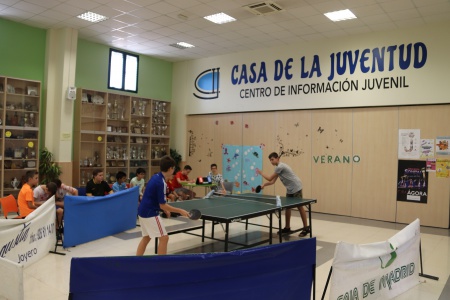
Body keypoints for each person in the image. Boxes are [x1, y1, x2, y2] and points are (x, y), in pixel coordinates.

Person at [136, 155, 190, 255]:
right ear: (170, 169)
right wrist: (180, 211)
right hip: (150, 213)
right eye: (173, 168)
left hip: (142, 211)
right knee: (164, 238)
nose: (174, 170)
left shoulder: (155, 177)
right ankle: (161, 264)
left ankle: (136, 261)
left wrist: (165, 209)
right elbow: (162, 205)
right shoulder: (161, 182)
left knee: (146, 237)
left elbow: (153, 197)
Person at [256, 152, 310, 237]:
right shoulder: (278, 168)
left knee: (300, 207)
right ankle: (287, 227)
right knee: (287, 207)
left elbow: (270, 178)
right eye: (270, 160)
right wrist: (264, 185)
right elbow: (272, 181)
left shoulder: (280, 166)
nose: (271, 161)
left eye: (272, 159)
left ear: (277, 158)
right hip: (290, 189)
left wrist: (261, 173)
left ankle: (306, 228)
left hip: (296, 187)